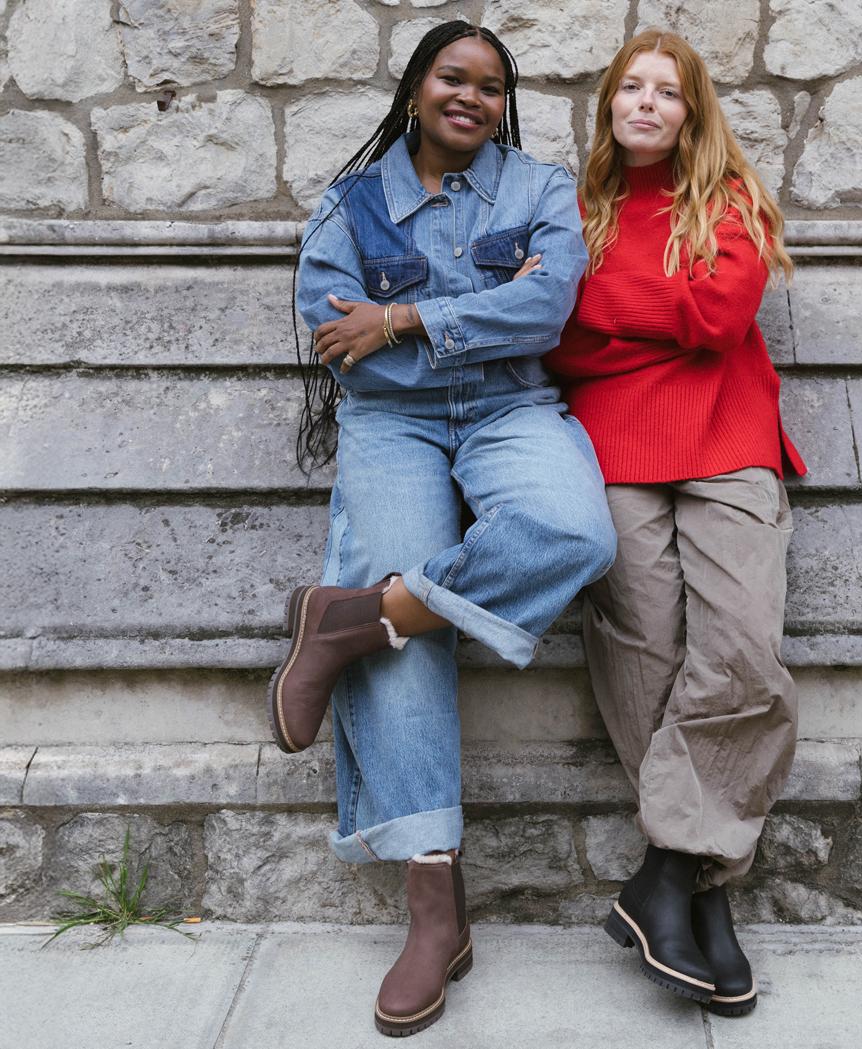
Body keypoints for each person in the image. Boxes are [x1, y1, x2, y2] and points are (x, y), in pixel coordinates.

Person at [274, 20, 615, 1038]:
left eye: (491, 86)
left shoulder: (539, 191)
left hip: (516, 409)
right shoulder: (353, 202)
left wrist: (410, 317)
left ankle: (353, 619)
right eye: (452, 78)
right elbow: (334, 333)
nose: (472, 96)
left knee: (573, 530)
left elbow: (549, 306)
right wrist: (457, 323)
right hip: (394, 422)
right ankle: (435, 907)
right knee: (408, 640)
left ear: (505, 103)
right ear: (418, 87)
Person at [545, 29, 806, 1017]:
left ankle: (669, 873)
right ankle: (698, 893)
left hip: (731, 438)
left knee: (741, 648)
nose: (646, 103)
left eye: (667, 91)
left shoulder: (731, 198)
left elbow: (719, 314)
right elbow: (560, 341)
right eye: (631, 87)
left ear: (691, 112)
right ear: (609, 104)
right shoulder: (573, 210)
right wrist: (637, 318)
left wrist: (610, 318)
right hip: (613, 447)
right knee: (641, 649)